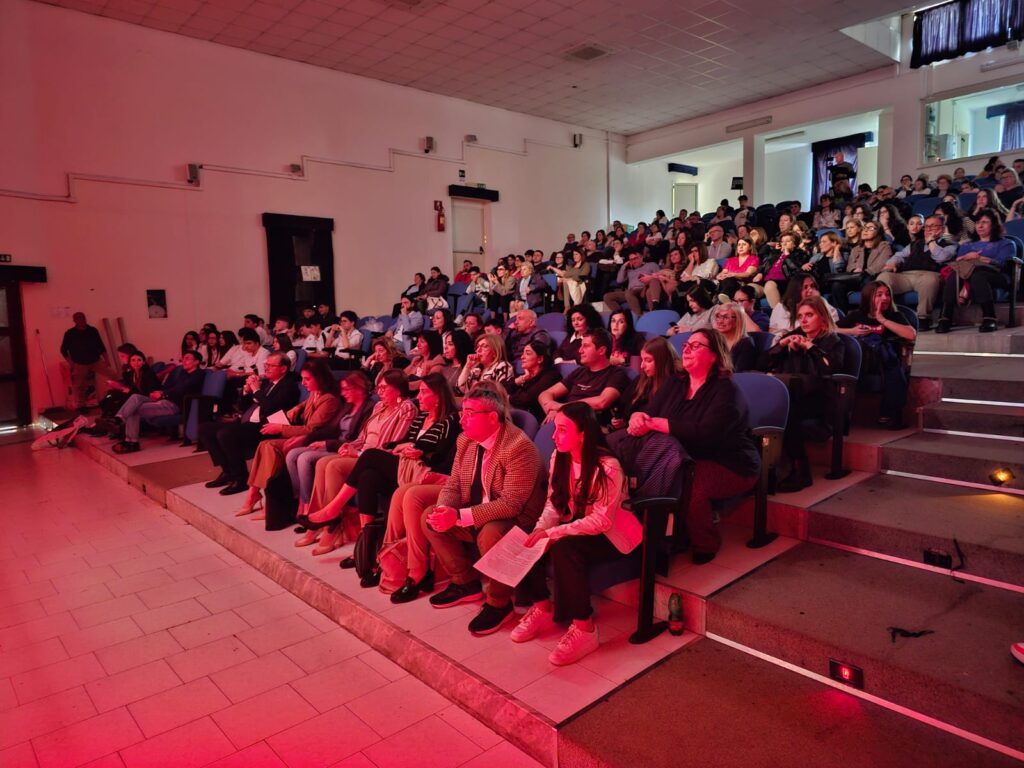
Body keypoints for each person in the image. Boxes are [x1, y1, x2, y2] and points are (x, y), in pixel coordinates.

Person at [510, 402, 642, 665]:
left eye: (562, 430)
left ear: (583, 434)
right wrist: (541, 529)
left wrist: (555, 533)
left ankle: (584, 628)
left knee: (564, 547)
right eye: (555, 430)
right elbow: (554, 504)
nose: (554, 437)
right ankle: (542, 607)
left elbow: (602, 521)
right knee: (527, 536)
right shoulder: (560, 457)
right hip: (578, 525)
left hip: (613, 533)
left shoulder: (608, 467)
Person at [307, 373, 461, 585]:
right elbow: (399, 442)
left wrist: (418, 450)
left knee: (370, 456)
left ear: (438, 396)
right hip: (404, 466)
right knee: (367, 477)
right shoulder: (421, 418)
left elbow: (442, 456)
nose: (419, 396)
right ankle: (366, 547)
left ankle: (334, 509)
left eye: (424, 392)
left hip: (422, 472)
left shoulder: (450, 420)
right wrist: (403, 447)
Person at [624, 329, 759, 562]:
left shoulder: (726, 390)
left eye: (696, 346)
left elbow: (706, 434)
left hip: (730, 462)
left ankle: (705, 543)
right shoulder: (676, 382)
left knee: (688, 482)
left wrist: (659, 424)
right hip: (684, 455)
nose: (686, 349)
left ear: (714, 355)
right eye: (686, 345)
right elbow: (650, 413)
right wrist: (638, 417)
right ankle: (652, 536)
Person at [422, 381, 546, 635]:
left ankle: (499, 603)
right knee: (430, 516)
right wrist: (445, 509)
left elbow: (512, 504)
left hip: (519, 520)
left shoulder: (518, 447)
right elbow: (454, 484)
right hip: (479, 511)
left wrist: (459, 515)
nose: (462, 419)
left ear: (492, 417)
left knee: (491, 531)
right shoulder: (465, 440)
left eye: (470, 413)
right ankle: (465, 582)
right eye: (462, 412)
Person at [300, 370, 419, 552]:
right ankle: (322, 522)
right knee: (323, 463)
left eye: (384, 387)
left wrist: (358, 453)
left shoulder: (407, 408)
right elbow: (363, 436)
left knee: (334, 466)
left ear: (397, 389)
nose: (379, 391)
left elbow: (390, 445)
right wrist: (350, 446)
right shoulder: (379, 406)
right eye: (378, 387)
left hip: (375, 457)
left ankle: (332, 523)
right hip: (362, 452)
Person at [766, 297, 847, 492]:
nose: (803, 320)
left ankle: (800, 471)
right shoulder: (795, 335)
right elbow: (763, 363)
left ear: (822, 317)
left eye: (809, 315)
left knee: (786, 410)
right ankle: (770, 471)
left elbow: (830, 368)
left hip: (821, 401)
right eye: (800, 316)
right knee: (774, 408)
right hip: (794, 397)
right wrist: (782, 344)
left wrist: (811, 348)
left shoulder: (832, 340)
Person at [287, 372, 374, 543]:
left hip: (344, 447)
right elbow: (332, 428)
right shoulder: (347, 406)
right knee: (293, 454)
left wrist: (327, 444)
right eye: (342, 389)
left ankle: (322, 519)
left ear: (359, 389)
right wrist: (307, 437)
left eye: (347, 389)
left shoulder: (369, 408)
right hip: (336, 444)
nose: (343, 393)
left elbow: (357, 439)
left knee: (307, 458)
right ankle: (305, 506)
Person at [200, 352, 302, 495]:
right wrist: (247, 392)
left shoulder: (289, 386)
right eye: (266, 365)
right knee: (205, 428)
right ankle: (227, 471)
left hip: (269, 426)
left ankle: (241, 478)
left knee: (226, 433)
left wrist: (256, 390)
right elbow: (242, 408)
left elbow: (270, 408)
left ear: (283, 368)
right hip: (251, 423)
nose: (266, 368)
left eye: (271, 365)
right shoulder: (267, 383)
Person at [837, 281, 915, 429]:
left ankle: (889, 412)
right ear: (868, 297)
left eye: (887, 294)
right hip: (861, 360)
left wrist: (882, 320)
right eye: (879, 295)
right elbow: (830, 329)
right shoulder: (856, 315)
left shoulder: (895, 316)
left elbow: (911, 334)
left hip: (883, 361)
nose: (885, 298)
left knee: (887, 354)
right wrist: (851, 331)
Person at [936, 209, 1014, 334]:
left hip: (998, 275)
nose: (980, 226)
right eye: (978, 222)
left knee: (978, 275)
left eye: (985, 222)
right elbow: (958, 262)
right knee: (954, 274)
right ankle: (945, 318)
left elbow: (1003, 263)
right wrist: (967, 257)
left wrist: (980, 258)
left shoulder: (1006, 243)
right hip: (968, 274)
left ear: (994, 225)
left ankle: (990, 318)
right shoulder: (967, 245)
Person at [111, 350, 205, 453]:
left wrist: (163, 394)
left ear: (196, 362)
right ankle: (118, 419)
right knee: (135, 397)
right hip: (165, 400)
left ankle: (131, 441)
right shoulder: (183, 373)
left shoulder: (199, 374)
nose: (184, 361)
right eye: (183, 358)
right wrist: (160, 392)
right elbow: (173, 388)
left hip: (174, 405)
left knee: (133, 409)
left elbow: (183, 388)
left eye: (187, 358)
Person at [878, 214, 956, 331]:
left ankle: (923, 318)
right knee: (884, 277)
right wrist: (893, 262)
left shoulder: (950, 245)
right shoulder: (915, 244)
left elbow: (941, 258)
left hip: (930, 275)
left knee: (929, 280)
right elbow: (899, 255)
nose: (928, 229)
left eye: (933, 226)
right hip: (906, 276)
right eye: (927, 226)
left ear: (942, 228)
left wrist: (931, 241)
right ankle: (886, 315)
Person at [539, 329, 629, 426]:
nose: (580, 350)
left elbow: (602, 402)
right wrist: (551, 409)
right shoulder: (580, 371)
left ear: (601, 350)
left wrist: (562, 407)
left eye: (586, 346)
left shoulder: (617, 374)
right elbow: (545, 394)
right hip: (564, 420)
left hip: (588, 426)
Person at [60, 312, 109, 411]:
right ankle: (81, 406)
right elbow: (63, 349)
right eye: (78, 318)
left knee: (112, 375)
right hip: (79, 363)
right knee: (79, 385)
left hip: (95, 361)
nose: (81, 320)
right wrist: (70, 362)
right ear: (74, 320)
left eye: (82, 317)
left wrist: (107, 360)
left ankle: (112, 398)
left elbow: (101, 346)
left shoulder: (93, 331)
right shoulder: (70, 333)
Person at [509, 339, 562, 423]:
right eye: (523, 353)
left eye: (528, 353)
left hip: (536, 420)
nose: (522, 357)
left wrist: (508, 397)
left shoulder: (551, 376)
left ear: (540, 359)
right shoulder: (526, 375)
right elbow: (501, 387)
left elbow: (527, 398)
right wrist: (519, 381)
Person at [769, 274, 839, 337]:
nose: (810, 290)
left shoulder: (821, 301)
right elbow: (772, 330)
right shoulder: (782, 307)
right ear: (796, 290)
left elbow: (832, 327)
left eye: (812, 286)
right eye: (805, 287)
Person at [603, 248, 659, 316]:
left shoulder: (651, 265)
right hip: (630, 292)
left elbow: (658, 277)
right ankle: (621, 315)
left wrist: (649, 279)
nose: (633, 261)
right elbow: (619, 280)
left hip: (644, 289)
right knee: (607, 297)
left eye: (635, 258)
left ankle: (639, 316)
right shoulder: (629, 270)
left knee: (629, 293)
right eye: (631, 260)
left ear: (641, 257)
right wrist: (624, 266)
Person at [710, 303, 757, 371]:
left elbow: (739, 374)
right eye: (718, 316)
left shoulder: (746, 344)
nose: (720, 321)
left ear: (738, 320)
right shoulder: (714, 340)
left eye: (726, 317)